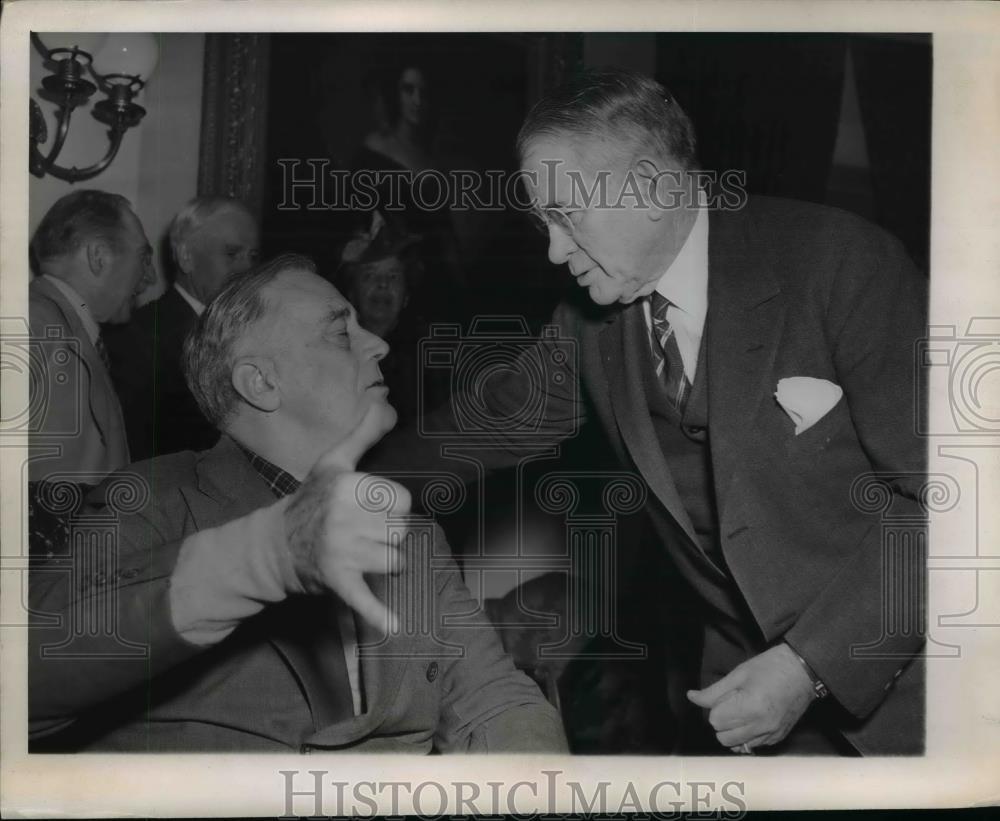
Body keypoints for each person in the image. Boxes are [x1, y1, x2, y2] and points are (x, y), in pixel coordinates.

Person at [365, 68, 928, 755]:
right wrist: (341, 481)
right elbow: (480, 427)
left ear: (656, 189)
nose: (553, 250)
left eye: (567, 217)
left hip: (914, 701)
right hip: (740, 710)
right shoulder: (591, 322)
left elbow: (959, 505)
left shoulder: (841, 265)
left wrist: (808, 665)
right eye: (542, 222)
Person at [28, 253, 567, 754]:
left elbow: (497, 703)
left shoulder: (412, 537)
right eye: (340, 332)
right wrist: (269, 554)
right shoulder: (151, 500)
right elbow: (31, 680)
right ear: (260, 382)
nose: (377, 344)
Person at [104, 197, 260, 461]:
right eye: (232, 254)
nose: (247, 268)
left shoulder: (254, 333)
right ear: (186, 257)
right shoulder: (139, 338)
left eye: (252, 256)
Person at [28, 190, 156, 484]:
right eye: (142, 258)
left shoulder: (62, 324)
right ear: (98, 256)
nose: (150, 278)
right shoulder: (33, 323)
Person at [352, 63, 464, 321]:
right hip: (389, 282)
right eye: (408, 90)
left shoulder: (430, 159)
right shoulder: (374, 150)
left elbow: (445, 236)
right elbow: (360, 224)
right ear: (395, 94)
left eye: (423, 91)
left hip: (434, 286)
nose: (418, 100)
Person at [339, 211, 449, 427]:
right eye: (369, 275)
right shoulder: (333, 354)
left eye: (393, 276)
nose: (382, 284)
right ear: (352, 293)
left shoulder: (430, 358)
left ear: (406, 296)